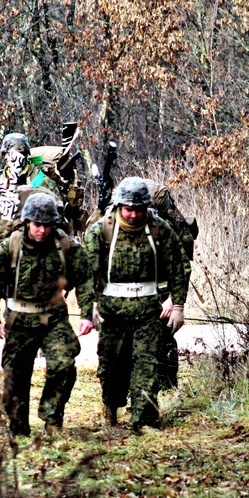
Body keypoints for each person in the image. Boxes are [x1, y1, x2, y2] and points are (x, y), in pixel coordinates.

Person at [80, 177, 189, 434]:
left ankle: (145, 419)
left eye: (138, 209)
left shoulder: (160, 229)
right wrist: (89, 309)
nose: (133, 214)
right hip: (112, 312)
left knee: (147, 366)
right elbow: (86, 274)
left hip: (148, 310)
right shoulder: (100, 231)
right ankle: (110, 406)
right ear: (119, 207)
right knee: (111, 366)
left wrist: (178, 305)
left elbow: (179, 266)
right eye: (128, 209)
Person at [0, 193, 93, 436]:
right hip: (19, 320)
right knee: (15, 377)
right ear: (27, 222)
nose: (42, 230)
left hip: (54, 317)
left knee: (64, 364)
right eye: (37, 224)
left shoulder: (65, 245)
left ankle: (52, 417)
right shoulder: (9, 247)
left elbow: (85, 278)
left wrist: (87, 313)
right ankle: (18, 428)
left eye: (47, 225)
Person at [145, 179, 196, 390]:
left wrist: (174, 301)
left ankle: (167, 386)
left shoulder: (166, 230)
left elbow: (181, 264)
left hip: (162, 280)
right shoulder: (112, 226)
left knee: (164, 333)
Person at [0, 132, 62, 248]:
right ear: (5, 156)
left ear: (25, 156)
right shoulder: (0, 182)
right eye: (10, 154)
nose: (14, 158)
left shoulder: (41, 180)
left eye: (19, 154)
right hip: (9, 236)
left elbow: (58, 209)